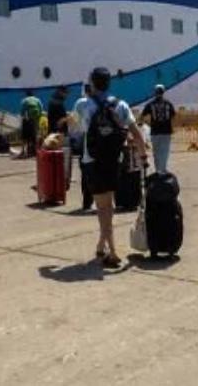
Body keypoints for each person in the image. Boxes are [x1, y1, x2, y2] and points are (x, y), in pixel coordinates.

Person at [74, 67, 147, 268]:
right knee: (109, 205)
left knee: (102, 207)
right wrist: (143, 155)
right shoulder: (121, 105)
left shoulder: (82, 104)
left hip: (92, 160)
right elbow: (136, 133)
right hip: (114, 160)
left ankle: (112, 252)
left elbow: (77, 129)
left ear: (92, 83)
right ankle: (101, 245)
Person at [140, 84, 175, 174]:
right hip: (166, 131)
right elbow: (173, 116)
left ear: (155, 93)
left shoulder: (150, 104)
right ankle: (163, 169)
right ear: (163, 92)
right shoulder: (168, 103)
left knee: (156, 151)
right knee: (165, 151)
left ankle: (158, 170)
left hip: (155, 131)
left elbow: (143, 115)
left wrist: (145, 124)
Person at [71, 84, 93, 210]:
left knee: (85, 172)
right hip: (99, 142)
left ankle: (87, 202)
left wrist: (74, 138)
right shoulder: (100, 102)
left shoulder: (80, 103)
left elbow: (74, 122)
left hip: (84, 140)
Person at [20, 89, 43, 158]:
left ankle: (23, 151)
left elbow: (22, 111)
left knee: (24, 136)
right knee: (34, 136)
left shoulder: (25, 100)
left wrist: (24, 117)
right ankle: (35, 151)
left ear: (27, 94)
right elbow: (41, 109)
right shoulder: (37, 100)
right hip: (35, 120)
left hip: (27, 120)